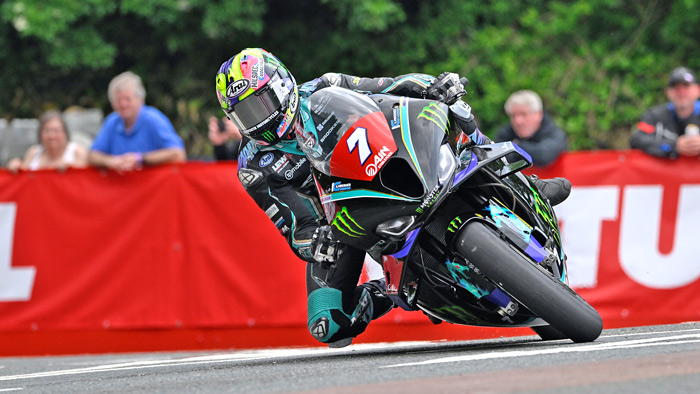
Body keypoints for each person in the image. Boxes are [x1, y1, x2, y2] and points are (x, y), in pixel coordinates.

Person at [215, 48, 571, 347]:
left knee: (452, 112)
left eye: (260, 103)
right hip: (345, 217)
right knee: (328, 325)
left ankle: (526, 184)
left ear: (281, 84)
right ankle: (388, 293)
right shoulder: (254, 165)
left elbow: (388, 88)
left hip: (388, 166)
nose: (257, 119)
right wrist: (315, 242)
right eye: (245, 112)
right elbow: (296, 226)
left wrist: (434, 85)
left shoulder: (325, 87)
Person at [88, 71, 186, 172]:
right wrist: (110, 161)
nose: (123, 104)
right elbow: (93, 155)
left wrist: (140, 158)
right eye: (118, 100)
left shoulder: (153, 119)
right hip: (120, 185)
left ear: (141, 99)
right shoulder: (112, 121)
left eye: (128, 99)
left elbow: (178, 154)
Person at [630, 67, 700, 158]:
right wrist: (674, 146)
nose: (681, 92)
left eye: (686, 86)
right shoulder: (654, 115)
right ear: (668, 92)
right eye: (676, 88)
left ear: (697, 90)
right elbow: (636, 140)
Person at [494, 90, 567, 167]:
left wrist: (516, 146)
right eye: (513, 116)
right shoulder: (506, 132)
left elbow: (544, 155)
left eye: (524, 114)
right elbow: (496, 156)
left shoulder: (554, 132)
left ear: (538, 114)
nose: (518, 121)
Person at [6, 110, 88, 172]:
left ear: (65, 133)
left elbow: (86, 180)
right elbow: (23, 180)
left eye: (56, 131)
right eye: (46, 131)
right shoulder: (33, 153)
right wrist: (15, 167)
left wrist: (72, 169)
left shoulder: (77, 152)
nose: (52, 136)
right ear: (40, 134)